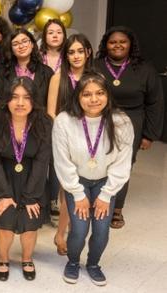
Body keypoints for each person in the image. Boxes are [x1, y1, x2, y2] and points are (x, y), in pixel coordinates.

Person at [53, 72, 134, 286]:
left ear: (108, 95)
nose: (94, 99)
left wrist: (107, 194)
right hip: (76, 181)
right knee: (79, 229)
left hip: (104, 182)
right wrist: (77, 193)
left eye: (100, 93)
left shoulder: (121, 121)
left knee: (101, 229)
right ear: (78, 97)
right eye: (87, 94)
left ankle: (93, 264)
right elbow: (62, 162)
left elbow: (123, 163)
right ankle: (72, 261)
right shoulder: (64, 121)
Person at [94, 26, 164, 229]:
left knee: (122, 166)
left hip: (132, 122)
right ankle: (98, 201)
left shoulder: (144, 69)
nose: (117, 45)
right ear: (105, 45)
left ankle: (117, 209)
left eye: (122, 41)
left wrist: (149, 135)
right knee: (99, 162)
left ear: (130, 44)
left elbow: (155, 103)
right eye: (112, 42)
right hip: (100, 120)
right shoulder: (96, 66)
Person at [0, 77, 52, 282]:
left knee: (30, 224)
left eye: (26, 98)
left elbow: (42, 161)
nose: (20, 103)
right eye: (15, 97)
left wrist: (32, 196)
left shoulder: (44, 123)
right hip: (2, 178)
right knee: (5, 224)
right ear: (7, 100)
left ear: (34, 101)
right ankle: (3, 258)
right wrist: (3, 195)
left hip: (33, 179)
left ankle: (26, 258)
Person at [47, 33, 94, 255]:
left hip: (91, 141)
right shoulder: (59, 78)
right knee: (68, 187)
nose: (76, 56)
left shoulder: (95, 78)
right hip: (65, 140)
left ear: (88, 52)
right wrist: (67, 135)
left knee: (80, 187)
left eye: (79, 51)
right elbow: (50, 111)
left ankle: (66, 232)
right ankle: (62, 232)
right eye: (71, 52)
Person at [0, 28, 53, 112]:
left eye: (25, 41)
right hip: (8, 121)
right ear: (11, 49)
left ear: (32, 44)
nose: (21, 46)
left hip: (39, 121)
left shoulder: (47, 72)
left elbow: (51, 105)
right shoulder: (2, 72)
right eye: (15, 44)